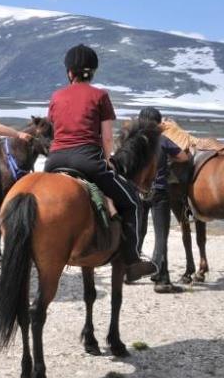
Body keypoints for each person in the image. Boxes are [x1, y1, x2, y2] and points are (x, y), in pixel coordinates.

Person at [42, 44, 157, 282]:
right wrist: (108, 161)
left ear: (69, 72)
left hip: (54, 160)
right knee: (133, 202)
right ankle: (132, 260)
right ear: (92, 72)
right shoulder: (100, 96)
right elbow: (106, 137)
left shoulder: (56, 96)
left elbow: (53, 131)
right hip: (88, 161)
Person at [137, 106, 191, 293]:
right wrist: (169, 161)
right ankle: (161, 277)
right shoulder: (162, 140)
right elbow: (183, 157)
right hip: (159, 192)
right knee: (161, 236)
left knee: (138, 231)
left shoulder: (134, 141)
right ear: (158, 123)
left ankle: (130, 271)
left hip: (138, 192)